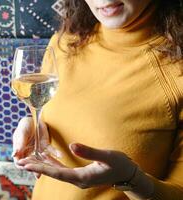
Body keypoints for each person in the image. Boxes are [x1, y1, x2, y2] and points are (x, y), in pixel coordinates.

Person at [12, 0, 183, 199]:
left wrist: (130, 179)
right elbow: (59, 115)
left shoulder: (176, 70)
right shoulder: (65, 40)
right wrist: (34, 124)